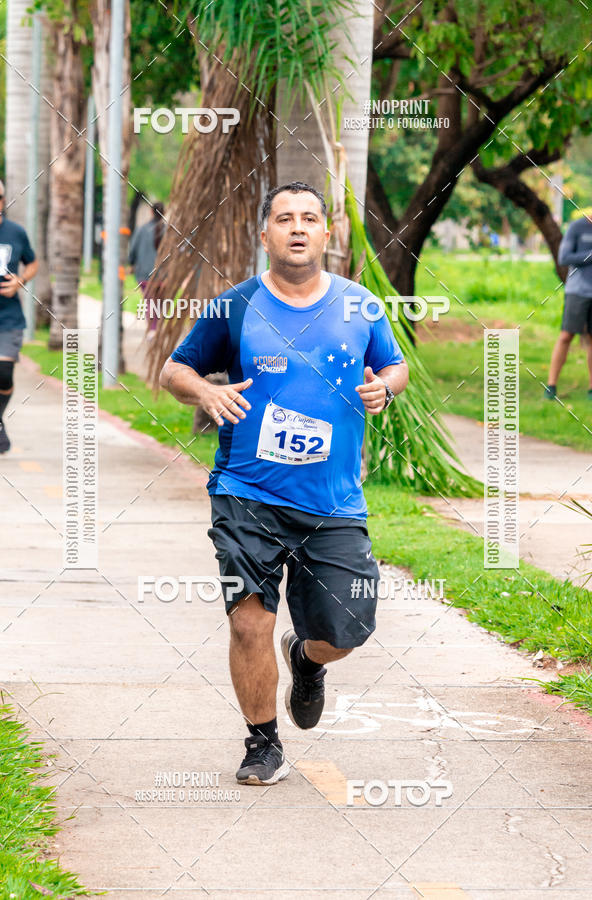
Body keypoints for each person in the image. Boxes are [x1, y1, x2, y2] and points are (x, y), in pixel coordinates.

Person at [160, 181, 409, 785]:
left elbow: (394, 365)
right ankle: (262, 742)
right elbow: (174, 370)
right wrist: (207, 392)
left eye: (309, 218)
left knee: (347, 631)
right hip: (247, 493)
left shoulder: (360, 306)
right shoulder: (235, 306)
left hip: (333, 502)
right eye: (284, 218)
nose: (297, 228)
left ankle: (307, 657)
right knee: (248, 621)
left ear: (327, 232)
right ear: (265, 233)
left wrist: (385, 387)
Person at [0, 177, 38, 454]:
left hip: (7, 318)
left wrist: (21, 280)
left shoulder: (16, 233)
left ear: (3, 200)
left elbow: (32, 263)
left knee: (4, 373)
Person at [545, 213, 592, 400]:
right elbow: (564, 257)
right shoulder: (577, 227)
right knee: (566, 336)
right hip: (578, 291)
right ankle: (551, 386)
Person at [128, 202, 164, 337]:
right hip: (162, 276)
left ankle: (152, 330)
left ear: (151, 212)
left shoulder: (142, 230)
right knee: (159, 303)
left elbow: (133, 250)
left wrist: (131, 263)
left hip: (144, 274)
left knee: (149, 302)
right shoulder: (168, 231)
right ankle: (156, 329)